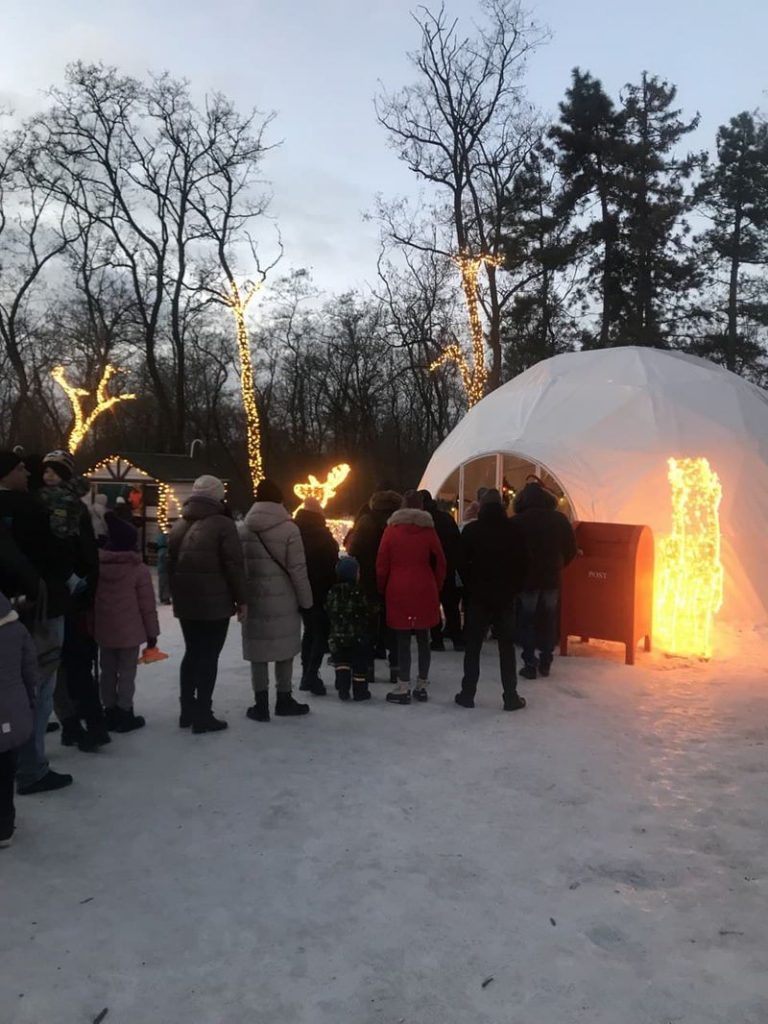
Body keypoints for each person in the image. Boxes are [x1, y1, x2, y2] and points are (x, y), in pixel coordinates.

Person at [0, 451, 73, 794]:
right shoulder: (33, 509)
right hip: (38, 609)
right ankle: (31, 767)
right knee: (39, 685)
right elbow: (56, 554)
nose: (26, 471)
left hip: (7, 609)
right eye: (18, 468)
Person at [168, 475, 246, 734]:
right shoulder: (223, 525)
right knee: (208, 655)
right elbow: (234, 565)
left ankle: (187, 709)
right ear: (218, 495)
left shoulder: (179, 524)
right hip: (215, 602)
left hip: (186, 601)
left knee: (192, 652)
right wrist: (242, 598)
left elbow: (169, 564)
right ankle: (203, 712)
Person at [240, 479, 313, 722]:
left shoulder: (243, 529)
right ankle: (284, 699)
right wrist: (306, 602)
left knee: (258, 652)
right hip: (284, 598)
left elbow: (238, 567)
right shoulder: (290, 529)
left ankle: (260, 704)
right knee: (285, 650)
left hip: (253, 598)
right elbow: (298, 569)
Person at [455, 488, 528, 712]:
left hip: (478, 597)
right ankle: (510, 695)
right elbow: (525, 563)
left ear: (482, 507)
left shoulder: (472, 531)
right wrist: (515, 588)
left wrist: (471, 585)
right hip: (505, 597)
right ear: (503, 506)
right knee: (506, 648)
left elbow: (460, 562)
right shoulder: (515, 531)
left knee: (473, 646)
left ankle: (468, 693)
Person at [376, 490, 446, 705]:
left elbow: (381, 563)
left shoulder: (391, 530)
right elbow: (441, 561)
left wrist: (382, 587)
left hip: (398, 586)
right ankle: (422, 684)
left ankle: (403, 685)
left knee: (403, 638)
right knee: (424, 637)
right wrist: (436, 584)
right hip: (425, 585)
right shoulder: (428, 531)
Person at [93, 513, 159, 732]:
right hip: (130, 631)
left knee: (107, 671)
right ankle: (124, 711)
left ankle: (108, 709)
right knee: (127, 673)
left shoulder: (99, 566)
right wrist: (152, 633)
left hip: (103, 629)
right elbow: (146, 604)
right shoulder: (137, 570)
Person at [513, 481, 577, 679]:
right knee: (549, 619)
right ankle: (547, 658)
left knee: (527, 620)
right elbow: (570, 549)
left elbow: (511, 552)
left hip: (527, 579)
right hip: (551, 578)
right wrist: (559, 564)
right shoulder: (559, 520)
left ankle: (529, 661)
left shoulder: (518, 521)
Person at [347, 487, 402, 683]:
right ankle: (396, 667)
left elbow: (353, 550)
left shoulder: (366, 522)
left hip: (368, 581)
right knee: (394, 626)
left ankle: (367, 668)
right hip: (394, 581)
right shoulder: (399, 523)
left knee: (368, 626)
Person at [0, 592, 39, 847]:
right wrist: (30, 701)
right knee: (5, 771)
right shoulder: (17, 629)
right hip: (11, 712)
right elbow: (29, 669)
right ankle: (4, 828)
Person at [294, 496, 339, 695]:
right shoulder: (323, 536)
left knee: (309, 631)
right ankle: (311, 673)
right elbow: (331, 564)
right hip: (320, 591)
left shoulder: (294, 531)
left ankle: (307, 672)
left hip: (299, 589)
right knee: (319, 633)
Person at [419, 489, 464, 651]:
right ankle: (457, 639)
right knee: (451, 606)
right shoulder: (446, 518)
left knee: (433, 605)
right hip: (449, 566)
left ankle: (437, 639)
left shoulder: (422, 522)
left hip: (429, 568)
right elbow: (458, 543)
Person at [325, 555, 372, 702]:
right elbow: (365, 609)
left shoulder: (333, 591)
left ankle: (343, 689)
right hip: (356, 636)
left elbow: (328, 608)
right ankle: (360, 691)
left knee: (341, 663)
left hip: (337, 636)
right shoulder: (358, 592)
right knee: (359, 666)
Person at [154, 532, 171, 604]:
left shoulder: (160, 551)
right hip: (165, 569)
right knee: (166, 582)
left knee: (162, 582)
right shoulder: (165, 551)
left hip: (161, 569)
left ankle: (162, 597)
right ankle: (165, 598)